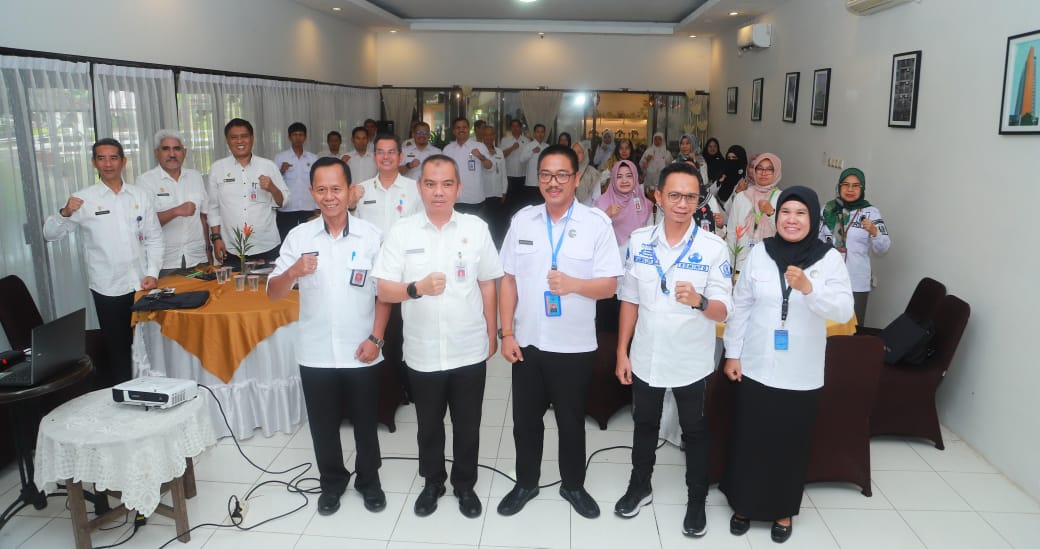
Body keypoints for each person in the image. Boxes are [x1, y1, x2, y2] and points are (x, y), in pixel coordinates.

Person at [372, 154, 503, 519]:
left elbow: (488, 282)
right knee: (428, 425)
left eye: (447, 184)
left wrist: (492, 330)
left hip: (468, 346)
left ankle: (465, 485)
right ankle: (433, 482)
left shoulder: (476, 228)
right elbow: (383, 289)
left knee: (467, 425)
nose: (438, 192)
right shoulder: (403, 232)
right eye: (430, 184)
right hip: (423, 349)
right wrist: (416, 288)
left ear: (458, 188)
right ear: (420, 188)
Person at [721, 186, 853, 544]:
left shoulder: (829, 259)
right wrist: (732, 353)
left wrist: (810, 288)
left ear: (813, 218)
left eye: (800, 213)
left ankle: (782, 510)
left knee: (789, 442)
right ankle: (744, 505)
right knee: (751, 437)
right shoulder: (760, 253)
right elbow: (741, 305)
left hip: (800, 371)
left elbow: (844, 310)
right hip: (756, 364)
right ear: (776, 217)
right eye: (785, 212)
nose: (791, 220)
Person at [497, 145, 623, 519]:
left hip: (574, 345)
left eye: (562, 175)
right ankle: (526, 482)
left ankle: (573, 485)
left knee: (571, 422)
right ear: (538, 179)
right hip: (528, 342)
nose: (554, 182)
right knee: (525, 422)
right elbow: (508, 280)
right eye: (546, 175)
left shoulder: (596, 223)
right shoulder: (523, 220)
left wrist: (573, 284)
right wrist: (507, 333)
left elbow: (610, 286)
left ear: (576, 178)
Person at [613, 163, 732, 538]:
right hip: (646, 354)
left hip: (691, 359)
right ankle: (639, 485)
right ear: (658, 197)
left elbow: (723, 311)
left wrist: (700, 301)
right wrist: (621, 351)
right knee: (644, 423)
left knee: (694, 431)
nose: (682, 204)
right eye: (675, 195)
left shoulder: (713, 248)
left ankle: (696, 499)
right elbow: (629, 299)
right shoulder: (639, 242)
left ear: (699, 201)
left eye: (691, 197)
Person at [267, 156, 389, 517]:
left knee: (366, 422)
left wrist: (376, 339)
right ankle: (332, 483)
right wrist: (292, 271)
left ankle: (369, 481)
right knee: (323, 425)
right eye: (321, 189)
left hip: (361, 347)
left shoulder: (371, 236)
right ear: (311, 192)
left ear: (350, 191)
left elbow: (385, 294)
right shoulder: (299, 237)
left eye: (336, 188)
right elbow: (273, 292)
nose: (329, 196)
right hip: (316, 350)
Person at [43, 138, 163, 387]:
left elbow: (154, 238)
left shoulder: (140, 195)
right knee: (119, 350)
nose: (108, 164)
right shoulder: (83, 199)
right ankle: (126, 395)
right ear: (94, 163)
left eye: (113, 158)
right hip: (108, 287)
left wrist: (153, 272)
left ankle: (154, 391)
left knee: (151, 345)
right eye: (101, 158)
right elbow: (50, 234)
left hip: (142, 284)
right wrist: (64, 213)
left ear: (123, 161)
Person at [208, 118, 290, 269]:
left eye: (244, 136)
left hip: (266, 246)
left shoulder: (268, 166)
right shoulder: (217, 168)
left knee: (268, 285)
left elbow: (284, 202)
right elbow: (213, 208)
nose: (240, 141)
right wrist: (216, 238)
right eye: (234, 137)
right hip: (231, 248)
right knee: (231, 285)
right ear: (227, 141)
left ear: (252, 138)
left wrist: (272, 188)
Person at [819, 168, 890, 325]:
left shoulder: (871, 212)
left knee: (852, 329)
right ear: (839, 187)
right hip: (827, 279)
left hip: (856, 282)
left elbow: (883, 248)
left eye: (856, 185)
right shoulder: (827, 209)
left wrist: (874, 231)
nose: (850, 189)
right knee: (824, 327)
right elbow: (815, 240)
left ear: (862, 188)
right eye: (845, 185)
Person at [136, 129, 210, 276]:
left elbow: (203, 216)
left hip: (197, 258)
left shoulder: (195, 177)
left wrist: (208, 249)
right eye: (166, 149)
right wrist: (175, 211)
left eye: (176, 148)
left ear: (184, 152)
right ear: (156, 152)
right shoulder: (145, 181)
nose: (172, 154)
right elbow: (143, 224)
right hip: (164, 262)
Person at [726, 153, 782, 274]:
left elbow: (784, 232)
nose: (763, 173)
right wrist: (731, 261)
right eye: (759, 168)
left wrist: (771, 213)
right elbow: (731, 231)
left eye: (769, 169)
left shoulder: (781, 198)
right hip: (741, 262)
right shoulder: (741, 197)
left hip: (769, 263)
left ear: (776, 172)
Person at [274, 122, 319, 241]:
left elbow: (317, 183)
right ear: (289, 137)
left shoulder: (313, 158)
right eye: (295, 135)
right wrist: (281, 171)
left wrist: (317, 206)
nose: (298, 138)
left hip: (308, 207)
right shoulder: (280, 157)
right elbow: (273, 183)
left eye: (301, 135)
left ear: (305, 137)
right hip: (287, 208)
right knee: (286, 240)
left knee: (309, 241)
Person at [595, 160, 650, 255]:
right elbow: (593, 232)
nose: (624, 180)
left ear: (635, 177)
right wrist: (606, 215)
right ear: (613, 179)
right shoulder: (602, 203)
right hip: (610, 256)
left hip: (638, 255)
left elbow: (650, 233)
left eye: (629, 176)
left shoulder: (643, 202)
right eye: (619, 176)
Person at [441, 117, 493, 215]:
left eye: (464, 127)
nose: (461, 130)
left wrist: (481, 157)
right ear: (454, 131)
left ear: (469, 129)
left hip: (474, 199)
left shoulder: (480, 146)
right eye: (458, 128)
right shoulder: (447, 149)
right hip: (453, 199)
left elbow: (490, 166)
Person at [479, 125, 508, 244]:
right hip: (483, 192)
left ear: (494, 136)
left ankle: (496, 242)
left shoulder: (499, 151)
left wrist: (504, 190)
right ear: (482, 136)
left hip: (497, 192)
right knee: (484, 220)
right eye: (486, 135)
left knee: (496, 220)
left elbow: (503, 172)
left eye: (491, 134)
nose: (489, 137)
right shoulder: (479, 152)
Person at [518, 123, 550, 207]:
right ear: (534, 133)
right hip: (531, 183)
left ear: (544, 133)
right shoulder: (529, 146)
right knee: (532, 206)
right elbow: (521, 160)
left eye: (542, 132)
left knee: (543, 206)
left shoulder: (547, 147)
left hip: (544, 182)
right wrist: (532, 152)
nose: (540, 134)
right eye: (538, 132)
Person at [501, 118, 530, 210]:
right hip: (509, 176)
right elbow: (502, 155)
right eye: (513, 126)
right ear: (510, 128)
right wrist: (512, 148)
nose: (515, 128)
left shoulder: (527, 141)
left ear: (520, 128)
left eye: (517, 126)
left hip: (523, 175)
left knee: (521, 202)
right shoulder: (505, 140)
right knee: (509, 203)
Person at [571, 142, 601, 206]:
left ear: (585, 153)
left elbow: (596, 197)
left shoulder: (592, 173)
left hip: (587, 208)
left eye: (579, 152)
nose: (576, 154)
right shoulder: (566, 171)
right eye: (573, 152)